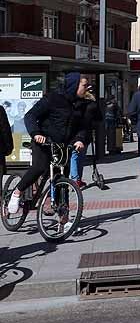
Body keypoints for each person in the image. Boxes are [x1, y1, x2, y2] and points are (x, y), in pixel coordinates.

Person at [8, 72, 90, 215]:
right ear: (74, 85)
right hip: (44, 142)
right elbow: (30, 116)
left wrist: (79, 139)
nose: (86, 88)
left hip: (62, 147)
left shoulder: (80, 104)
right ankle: (17, 192)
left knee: (62, 179)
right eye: (84, 85)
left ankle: (62, 214)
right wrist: (36, 134)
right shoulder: (52, 99)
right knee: (40, 167)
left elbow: (82, 126)